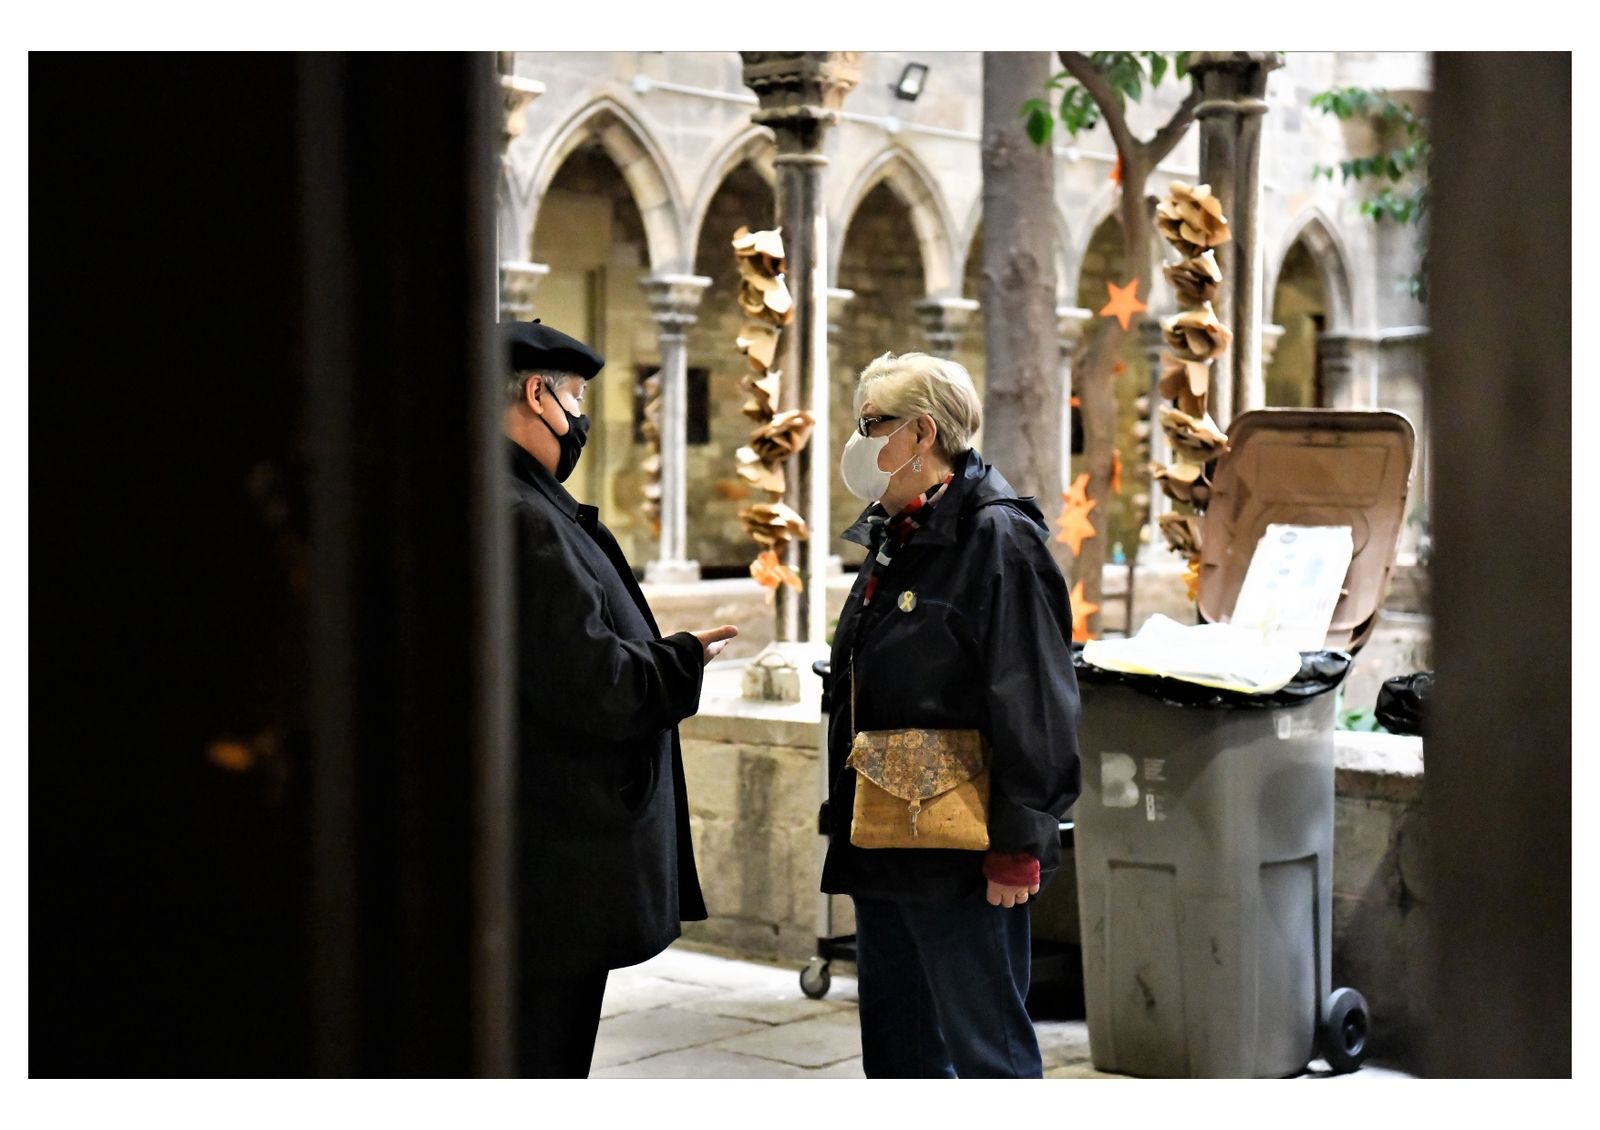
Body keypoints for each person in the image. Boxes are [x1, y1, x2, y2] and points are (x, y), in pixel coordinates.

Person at [820, 351, 1081, 1078]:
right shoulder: (898, 531)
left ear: (921, 434)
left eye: (871, 425)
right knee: (899, 1050)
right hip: (886, 832)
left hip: (963, 849)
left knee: (985, 1049)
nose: (859, 441)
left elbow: (1033, 699)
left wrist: (1021, 842)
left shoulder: (998, 538)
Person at [503, 319, 737, 1077]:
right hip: (553, 860)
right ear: (537, 395)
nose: (578, 419)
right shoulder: (522, 518)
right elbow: (591, 682)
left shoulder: (514, 503)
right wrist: (682, 659)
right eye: (574, 397)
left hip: (539, 855)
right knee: (541, 1054)